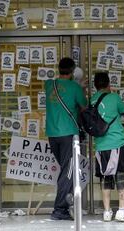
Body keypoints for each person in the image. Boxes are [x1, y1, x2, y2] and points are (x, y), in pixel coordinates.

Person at [91, 72, 124, 222]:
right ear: (108, 84)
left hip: (99, 145)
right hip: (117, 142)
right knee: (122, 174)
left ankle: (107, 212)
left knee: (105, 176)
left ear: (95, 85)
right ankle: (123, 210)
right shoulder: (114, 97)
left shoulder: (92, 100)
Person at [45, 57, 87, 220]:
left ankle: (66, 202)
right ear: (72, 71)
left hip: (52, 135)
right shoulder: (75, 87)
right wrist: (81, 88)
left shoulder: (48, 84)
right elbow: (84, 106)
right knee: (67, 172)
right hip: (69, 134)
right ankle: (60, 210)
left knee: (65, 170)